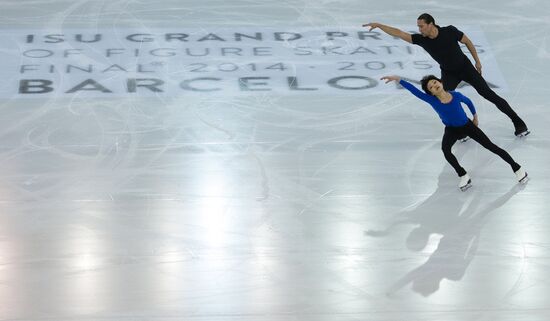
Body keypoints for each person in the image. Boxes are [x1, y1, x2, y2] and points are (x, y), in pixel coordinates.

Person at [363, 13, 530, 137]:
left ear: (431, 24)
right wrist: (379, 25)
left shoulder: (449, 31)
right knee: (445, 101)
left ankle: (518, 122)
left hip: (466, 68)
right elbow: (399, 33)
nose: (419, 29)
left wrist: (477, 61)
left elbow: (468, 42)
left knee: (489, 94)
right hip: (448, 73)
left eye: (421, 26)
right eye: (418, 26)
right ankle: (463, 129)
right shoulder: (422, 39)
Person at [381, 74, 528, 191]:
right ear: (430, 92)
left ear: (441, 82)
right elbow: (415, 91)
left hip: (467, 126)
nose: (434, 85)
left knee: (491, 146)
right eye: (431, 86)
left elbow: (469, 102)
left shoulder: (456, 95)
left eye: (435, 82)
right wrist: (399, 79)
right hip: (451, 129)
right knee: (445, 150)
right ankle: (463, 174)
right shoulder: (432, 100)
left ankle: (517, 168)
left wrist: (475, 117)